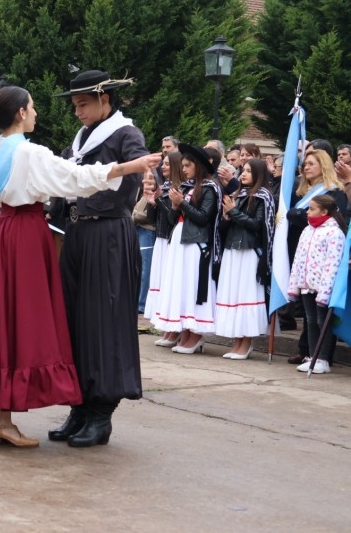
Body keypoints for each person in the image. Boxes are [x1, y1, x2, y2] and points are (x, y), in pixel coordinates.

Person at [0, 85, 159, 447]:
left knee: (5, 321)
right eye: (32, 107)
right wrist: (130, 167)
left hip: (7, 235)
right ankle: (12, 418)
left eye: (81, 104)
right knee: (22, 323)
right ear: (20, 114)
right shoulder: (28, 152)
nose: (38, 113)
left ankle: (20, 416)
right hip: (27, 236)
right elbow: (74, 178)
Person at [48, 70, 155, 448]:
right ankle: (79, 406)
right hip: (77, 234)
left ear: (105, 100)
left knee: (104, 320)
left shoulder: (126, 133)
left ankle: (101, 413)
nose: (77, 112)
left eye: (83, 104)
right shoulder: (80, 140)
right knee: (74, 319)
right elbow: (58, 176)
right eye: (75, 105)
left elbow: (138, 166)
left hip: (109, 234)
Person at [149, 144, 222, 355]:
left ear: (198, 166)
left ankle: (196, 332)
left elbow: (203, 217)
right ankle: (186, 330)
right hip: (180, 239)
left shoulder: (210, 187)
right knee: (182, 286)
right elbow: (174, 219)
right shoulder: (187, 187)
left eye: (188, 165)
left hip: (197, 243)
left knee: (193, 285)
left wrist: (182, 204)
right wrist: (174, 206)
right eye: (182, 165)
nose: (184, 169)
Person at [286, 149, 347, 364]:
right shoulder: (302, 191)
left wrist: (297, 215)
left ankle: (322, 357)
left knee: (320, 317)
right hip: (304, 254)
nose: (306, 167)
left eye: (311, 163)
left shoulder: (333, 192)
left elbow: (338, 219)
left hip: (323, 263)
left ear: (324, 165)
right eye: (305, 164)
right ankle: (309, 353)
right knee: (310, 317)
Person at [216, 159, 275, 359]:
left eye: (249, 171)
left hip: (250, 251)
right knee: (234, 294)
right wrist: (225, 216)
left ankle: (246, 341)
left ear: (258, 174)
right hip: (232, 249)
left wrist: (233, 212)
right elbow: (224, 228)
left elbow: (257, 225)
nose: (243, 174)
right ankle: (236, 341)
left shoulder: (263, 196)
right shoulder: (237, 194)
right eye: (243, 170)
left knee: (246, 295)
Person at [143, 150, 185, 345]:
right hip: (160, 238)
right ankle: (166, 327)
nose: (163, 166)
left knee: (168, 284)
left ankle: (174, 330)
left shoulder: (178, 189)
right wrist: (153, 202)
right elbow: (154, 218)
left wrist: (160, 200)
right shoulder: (166, 187)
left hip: (170, 239)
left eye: (167, 163)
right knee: (160, 282)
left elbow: (172, 218)